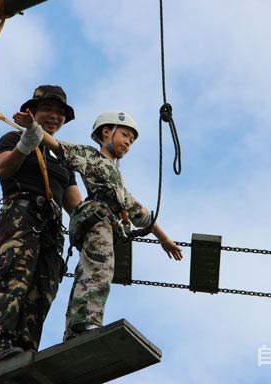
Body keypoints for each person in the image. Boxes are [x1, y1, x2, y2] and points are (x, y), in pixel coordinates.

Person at [14, 108, 183, 341]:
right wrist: (34, 128)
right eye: (125, 135)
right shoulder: (91, 157)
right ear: (107, 132)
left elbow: (141, 213)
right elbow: (60, 147)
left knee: (96, 270)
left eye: (131, 141)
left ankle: (78, 327)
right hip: (97, 219)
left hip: (107, 223)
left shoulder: (118, 184)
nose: (128, 143)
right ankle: (85, 323)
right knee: (97, 269)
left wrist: (164, 238)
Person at [0, 85, 82, 362]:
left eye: (59, 113)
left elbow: (75, 204)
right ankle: (4, 342)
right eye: (47, 110)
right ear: (33, 112)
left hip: (52, 224)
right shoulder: (12, 138)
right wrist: (26, 143)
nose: (54, 116)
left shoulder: (63, 159)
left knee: (44, 286)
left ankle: (27, 346)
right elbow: (3, 169)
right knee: (16, 276)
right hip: (22, 212)